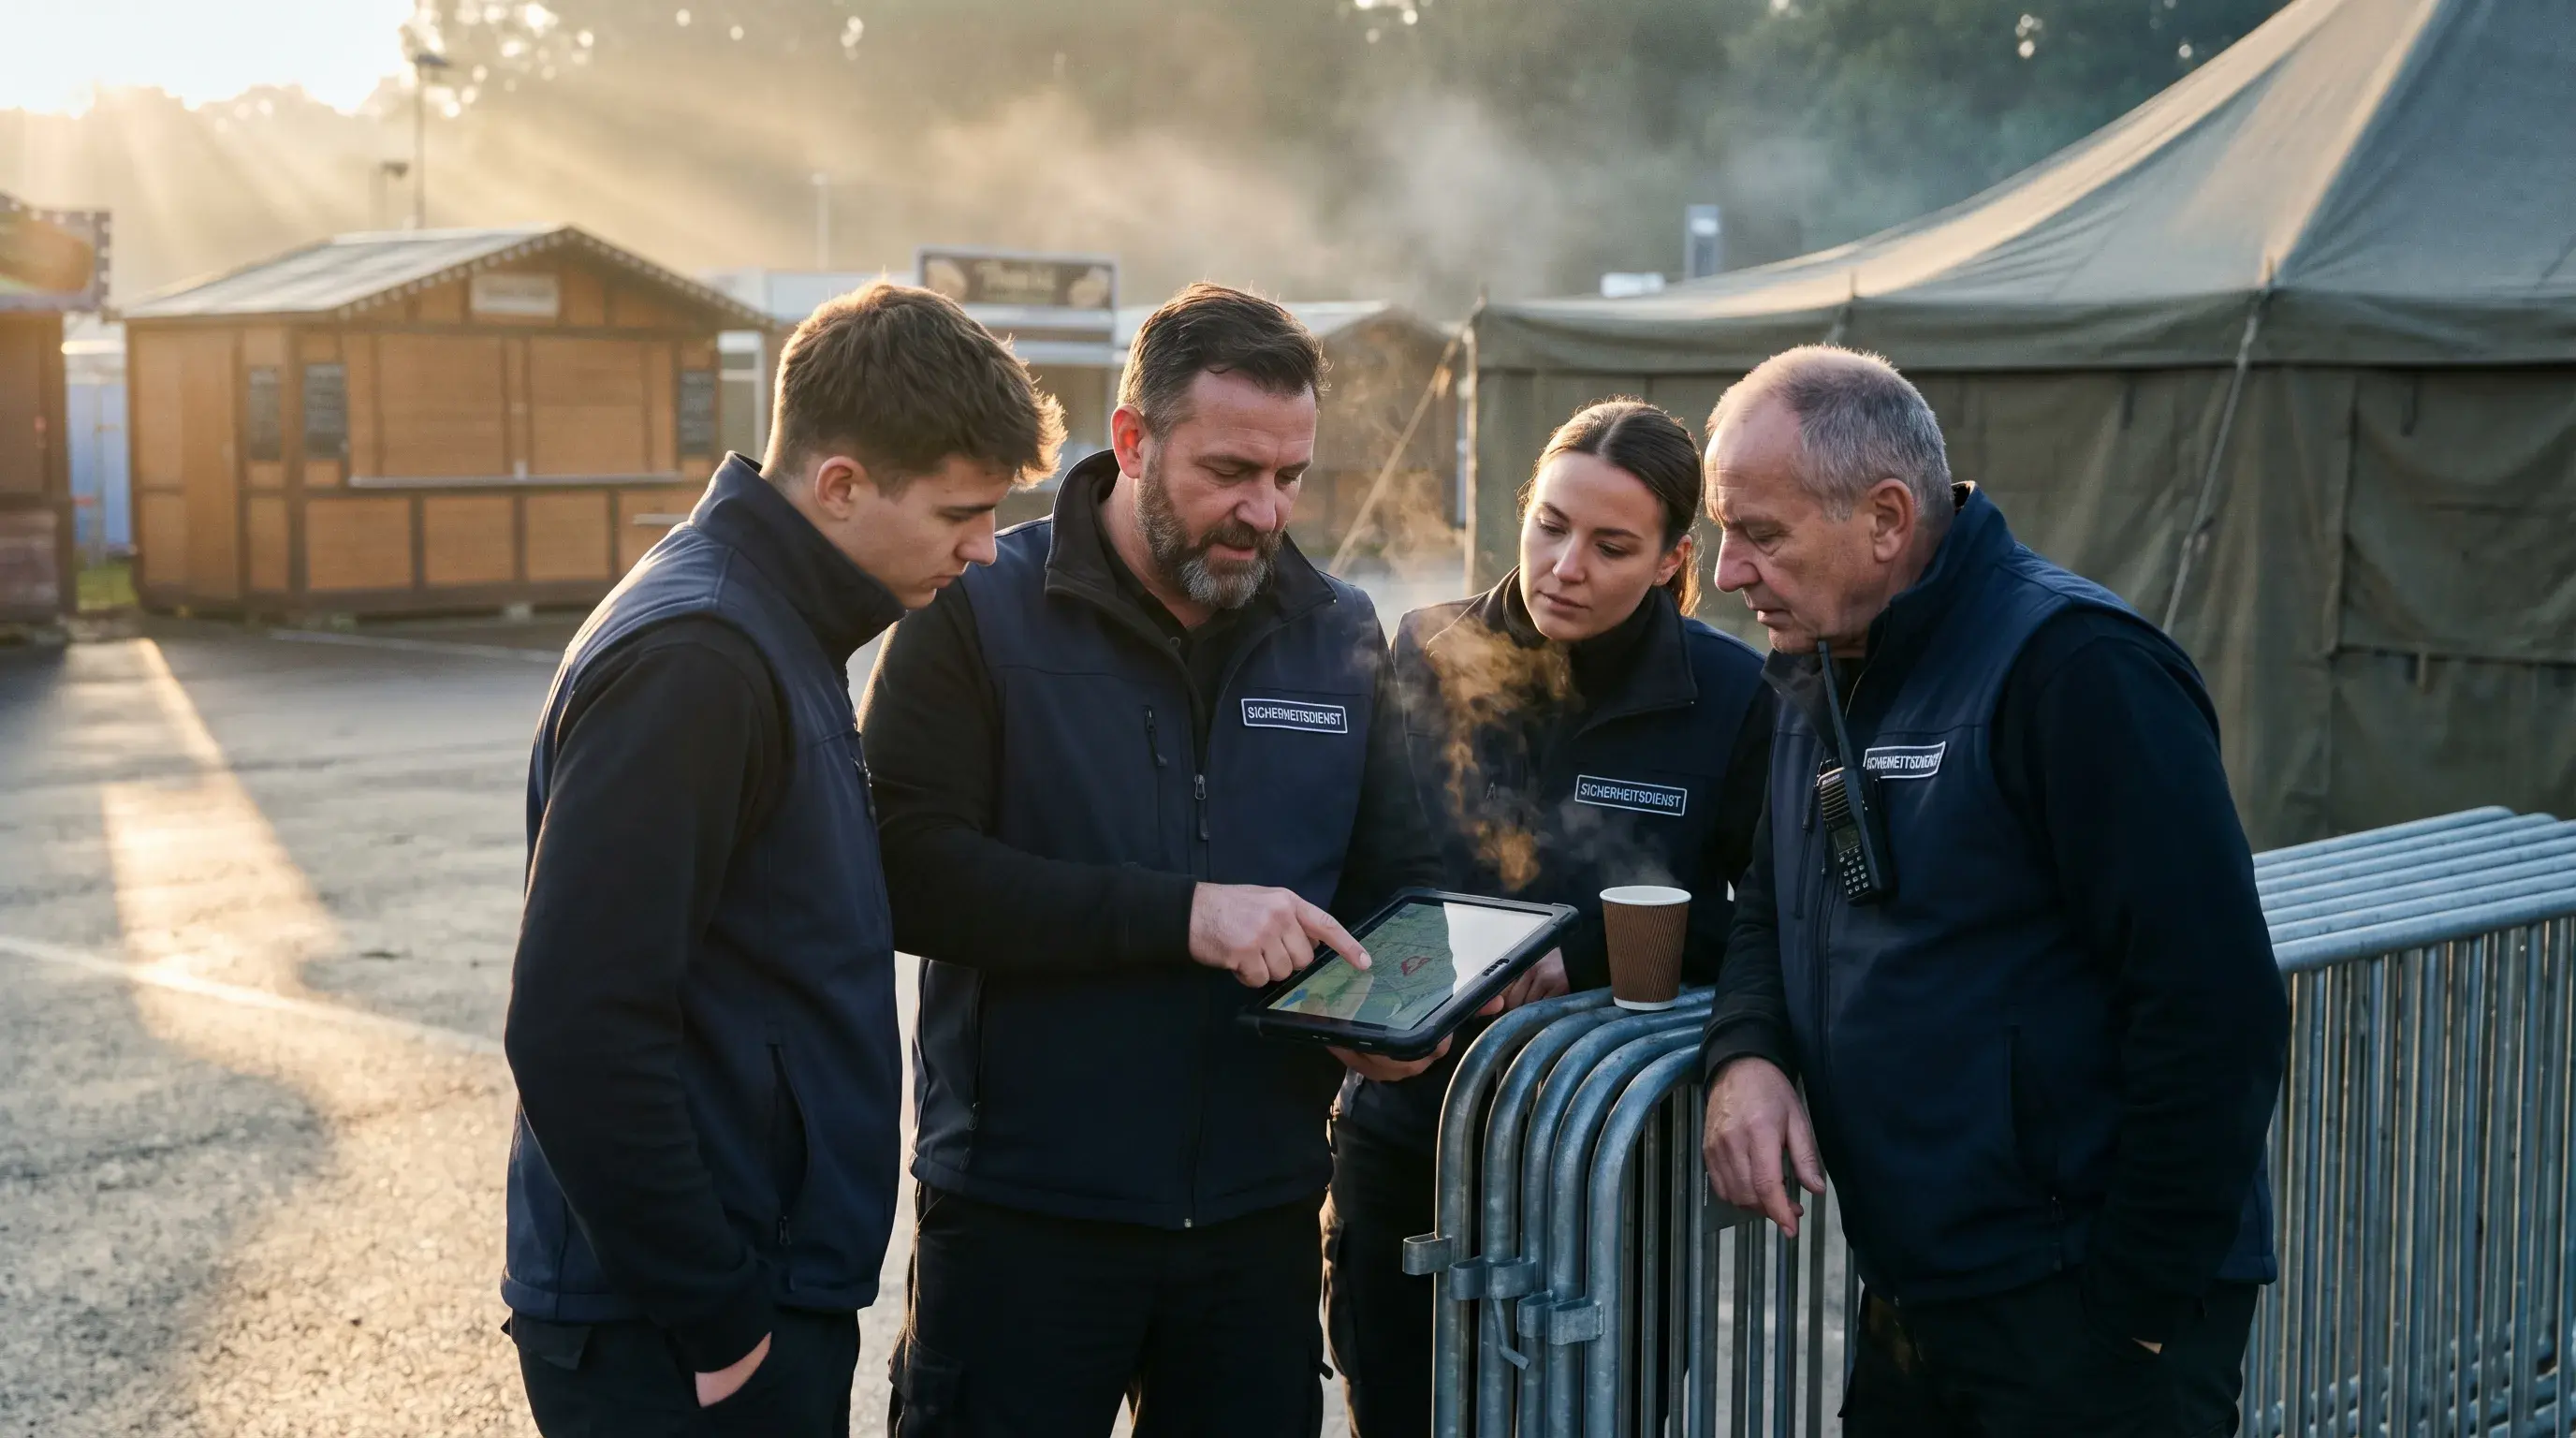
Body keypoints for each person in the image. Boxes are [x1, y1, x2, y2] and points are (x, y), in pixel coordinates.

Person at [858, 283, 1445, 1437]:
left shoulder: (1335, 631)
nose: (1265, 511)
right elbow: (900, 868)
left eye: (1289, 477)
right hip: (1026, 1215)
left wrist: (1395, 1012)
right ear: (1130, 440)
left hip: (1260, 1215)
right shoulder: (975, 606)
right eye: (1229, 472)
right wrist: (1179, 916)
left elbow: (1393, 882)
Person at [500, 282, 1062, 1436]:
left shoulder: (775, 626)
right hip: (675, 1333)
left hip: (730, 1295)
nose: (985, 551)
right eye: (961, 512)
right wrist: (719, 1328)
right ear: (841, 484)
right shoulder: (701, 657)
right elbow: (577, 1026)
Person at [1695, 345, 2290, 1436]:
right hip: (1917, 1294)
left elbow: (2214, 1010)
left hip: (2082, 1310)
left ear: (1885, 518)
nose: (1725, 572)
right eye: (1724, 529)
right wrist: (1745, 1051)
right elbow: (1772, 904)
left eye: (1759, 534)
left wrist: (2132, 1317)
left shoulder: (2076, 671)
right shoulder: (1816, 666)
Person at [1325, 400, 1772, 1437]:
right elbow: (1355, 869)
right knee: (1400, 1407)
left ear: (1673, 558)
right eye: (1550, 526)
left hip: (1609, 1149)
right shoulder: (1421, 650)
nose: (1566, 565)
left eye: (1612, 545)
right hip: (1412, 1132)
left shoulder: (1733, 693)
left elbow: (1770, 921)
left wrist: (1581, 960)